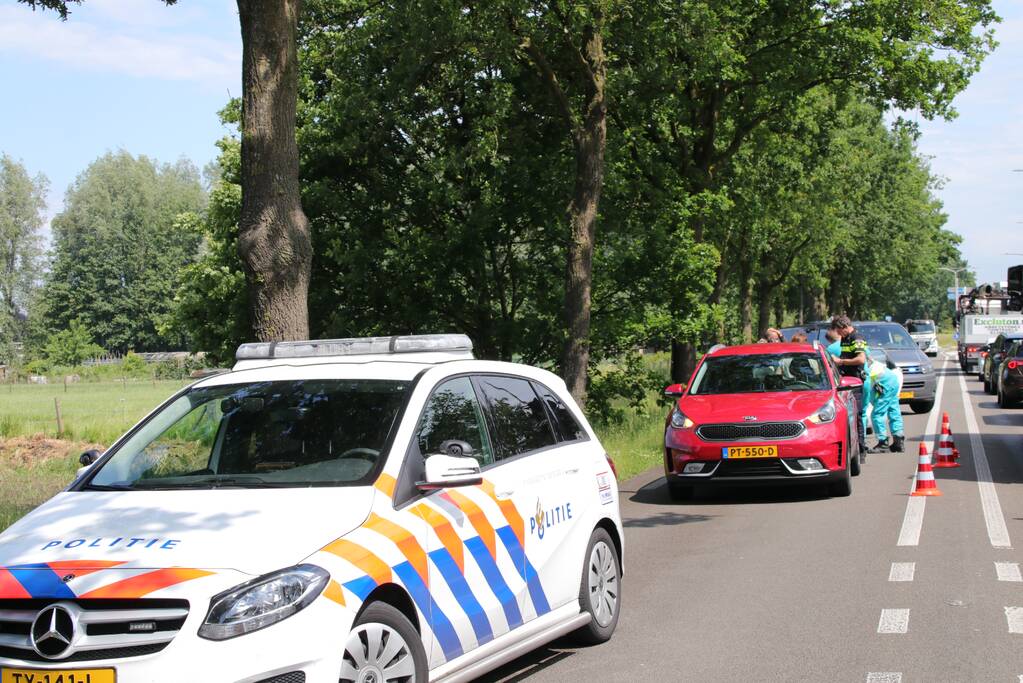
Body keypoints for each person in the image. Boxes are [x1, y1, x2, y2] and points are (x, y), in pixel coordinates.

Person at [829, 315, 869, 457]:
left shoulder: (856, 338)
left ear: (844, 327)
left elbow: (860, 359)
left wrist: (841, 362)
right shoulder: (846, 338)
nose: (838, 334)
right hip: (846, 381)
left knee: (857, 415)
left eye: (839, 331)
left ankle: (861, 449)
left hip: (855, 381)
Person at [866, 357, 905, 452]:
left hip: (883, 383)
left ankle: (883, 442)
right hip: (892, 379)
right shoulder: (862, 348)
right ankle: (898, 441)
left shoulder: (847, 355)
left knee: (877, 414)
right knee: (893, 410)